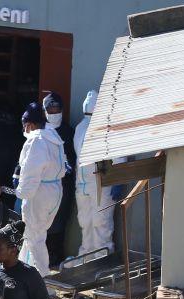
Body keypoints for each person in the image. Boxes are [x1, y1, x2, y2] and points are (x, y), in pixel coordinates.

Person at [15, 102, 68, 277]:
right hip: (55, 190)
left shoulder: (36, 141)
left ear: (29, 124)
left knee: (34, 237)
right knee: (35, 234)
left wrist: (21, 192)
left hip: (39, 193)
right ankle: (23, 270)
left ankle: (44, 280)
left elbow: (31, 171)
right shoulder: (53, 136)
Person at [75, 90, 120, 255]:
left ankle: (103, 257)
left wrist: (117, 180)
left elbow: (119, 155)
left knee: (101, 223)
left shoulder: (108, 128)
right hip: (82, 184)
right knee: (85, 221)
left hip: (102, 183)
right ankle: (86, 256)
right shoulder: (81, 127)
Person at [42, 91, 78, 267]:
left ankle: (56, 256)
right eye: (51, 109)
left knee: (59, 221)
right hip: (43, 186)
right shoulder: (40, 132)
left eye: (57, 109)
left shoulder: (68, 132)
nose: (54, 113)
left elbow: (73, 157)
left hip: (63, 185)